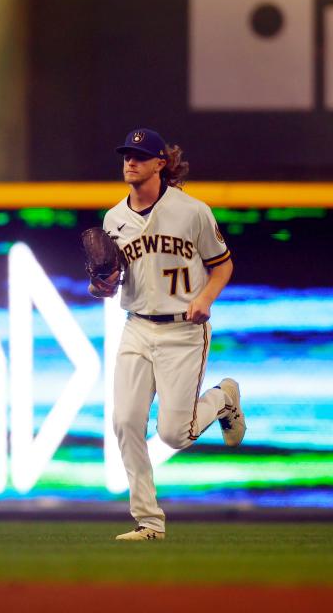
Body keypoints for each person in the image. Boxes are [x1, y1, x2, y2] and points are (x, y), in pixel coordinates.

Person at [92, 128, 246, 541]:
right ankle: (149, 521)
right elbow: (112, 277)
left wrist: (207, 298)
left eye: (140, 156)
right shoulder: (114, 219)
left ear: (161, 163)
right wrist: (101, 286)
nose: (130, 162)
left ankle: (223, 398)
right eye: (127, 155)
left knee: (173, 434)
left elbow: (223, 265)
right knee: (124, 421)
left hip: (184, 331)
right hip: (137, 328)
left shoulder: (192, 211)